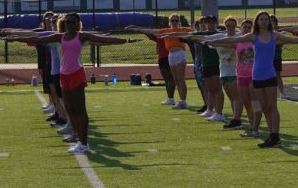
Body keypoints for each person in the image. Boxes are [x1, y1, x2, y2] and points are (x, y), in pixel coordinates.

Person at [10, 13, 136, 154]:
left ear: (77, 23)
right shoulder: (60, 37)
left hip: (76, 73)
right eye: (67, 21)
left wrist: (125, 40)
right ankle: (79, 139)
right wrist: (16, 38)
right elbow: (38, 38)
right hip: (64, 75)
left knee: (80, 109)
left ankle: (83, 142)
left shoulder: (81, 36)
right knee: (70, 109)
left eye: (72, 22)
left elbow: (105, 39)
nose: (69, 24)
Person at [200, 11, 298, 148]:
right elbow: (232, 40)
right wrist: (212, 41)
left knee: (272, 107)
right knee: (264, 107)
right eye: (261, 19)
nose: (264, 21)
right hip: (256, 76)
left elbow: (295, 40)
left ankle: (275, 136)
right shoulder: (253, 36)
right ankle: (271, 136)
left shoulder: (274, 36)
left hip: (269, 75)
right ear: (257, 22)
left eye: (266, 19)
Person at [129, 14, 192, 109]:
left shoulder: (183, 29)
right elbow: (151, 31)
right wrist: (137, 28)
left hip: (179, 53)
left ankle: (183, 101)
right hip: (171, 55)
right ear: (169, 22)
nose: (174, 22)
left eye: (176, 20)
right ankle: (179, 100)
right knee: (176, 80)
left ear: (178, 22)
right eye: (172, 20)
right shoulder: (165, 31)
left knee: (181, 79)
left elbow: (196, 31)